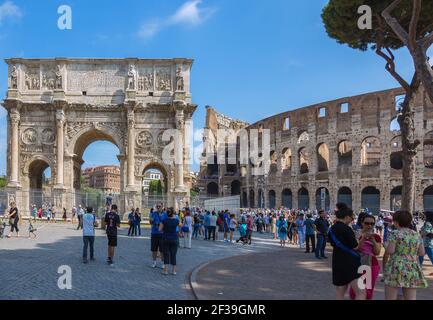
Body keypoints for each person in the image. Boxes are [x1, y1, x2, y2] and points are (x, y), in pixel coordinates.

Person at [384, 210, 428, 300]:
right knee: (411, 298)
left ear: (396, 222)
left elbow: (391, 250)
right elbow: (422, 253)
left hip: (395, 266)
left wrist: (385, 245)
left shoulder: (395, 233)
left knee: (390, 297)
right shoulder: (416, 235)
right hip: (412, 267)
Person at [329, 207, 366, 300]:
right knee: (361, 292)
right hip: (350, 262)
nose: (352, 219)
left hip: (337, 260)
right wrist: (363, 238)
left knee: (340, 291)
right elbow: (355, 247)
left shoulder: (332, 229)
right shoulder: (347, 229)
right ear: (346, 217)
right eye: (351, 217)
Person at [349, 214, 382, 300]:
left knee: (368, 290)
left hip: (371, 265)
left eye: (372, 223)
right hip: (357, 264)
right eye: (367, 223)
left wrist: (373, 241)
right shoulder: (355, 234)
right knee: (355, 290)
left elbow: (377, 252)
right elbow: (354, 249)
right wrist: (362, 239)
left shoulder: (376, 236)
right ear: (362, 223)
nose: (369, 225)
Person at [159, 208, 180, 275]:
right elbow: (181, 225)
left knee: (166, 254)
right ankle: (174, 271)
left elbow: (159, 229)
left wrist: (164, 229)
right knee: (173, 254)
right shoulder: (176, 220)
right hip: (174, 238)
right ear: (173, 213)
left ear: (167, 214)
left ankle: (165, 271)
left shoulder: (164, 220)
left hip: (166, 238)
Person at [420, 211, 433, 275]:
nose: (423, 216)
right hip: (425, 243)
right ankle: (419, 270)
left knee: (431, 257)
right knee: (420, 256)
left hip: (427, 244)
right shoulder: (428, 223)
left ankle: (419, 269)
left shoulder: (427, 223)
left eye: (424, 215)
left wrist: (422, 233)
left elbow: (427, 232)